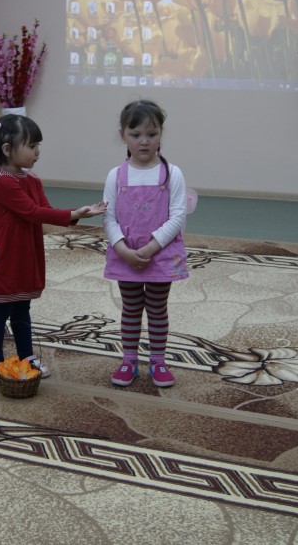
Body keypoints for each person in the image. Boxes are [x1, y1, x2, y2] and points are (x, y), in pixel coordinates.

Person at [0, 114, 107, 384]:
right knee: (0, 308)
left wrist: (77, 214)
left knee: (22, 307)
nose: (37, 151)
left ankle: (26, 356)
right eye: (31, 146)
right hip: (4, 255)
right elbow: (32, 212)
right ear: (7, 149)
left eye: (38, 145)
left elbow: (46, 210)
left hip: (25, 253)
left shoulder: (32, 180)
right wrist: (74, 214)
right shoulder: (2, 181)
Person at [102, 99, 188, 388]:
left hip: (160, 256)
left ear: (161, 134)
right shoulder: (116, 175)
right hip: (125, 255)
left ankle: (158, 361)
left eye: (152, 134)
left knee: (157, 308)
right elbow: (109, 217)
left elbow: (177, 216)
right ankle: (129, 360)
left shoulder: (172, 173)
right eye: (135, 134)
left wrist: (151, 248)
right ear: (122, 134)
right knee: (130, 308)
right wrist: (123, 250)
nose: (144, 141)